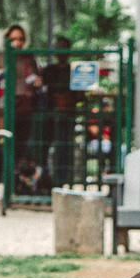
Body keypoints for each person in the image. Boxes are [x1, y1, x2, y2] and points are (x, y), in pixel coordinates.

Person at [0, 24, 42, 161]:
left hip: (25, 104)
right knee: (4, 143)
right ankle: (2, 177)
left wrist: (37, 83)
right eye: (13, 39)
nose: (17, 42)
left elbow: (36, 77)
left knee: (22, 143)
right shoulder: (0, 57)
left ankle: (17, 175)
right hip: (6, 106)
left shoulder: (28, 57)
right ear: (7, 39)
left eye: (20, 39)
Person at [42, 36, 85, 186]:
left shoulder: (74, 71)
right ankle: (45, 178)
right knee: (45, 147)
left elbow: (80, 95)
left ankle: (62, 179)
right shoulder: (48, 71)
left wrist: (70, 100)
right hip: (50, 116)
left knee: (65, 147)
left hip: (67, 115)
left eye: (64, 48)